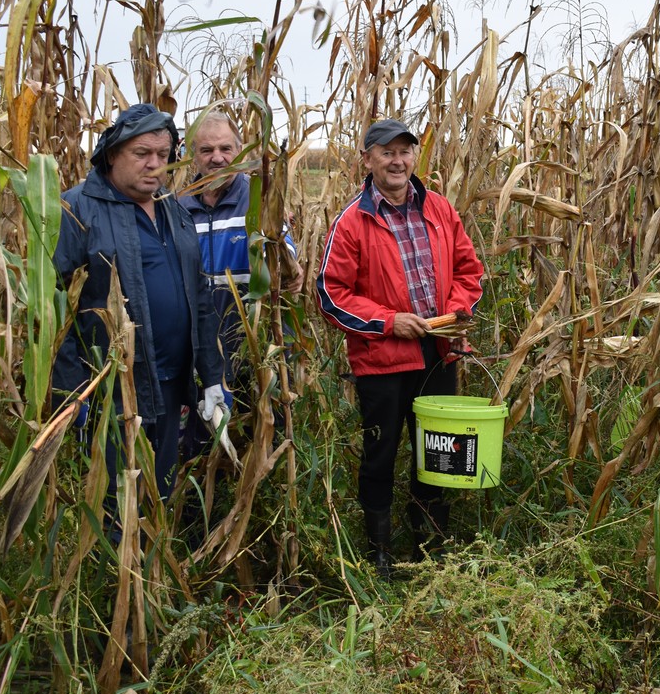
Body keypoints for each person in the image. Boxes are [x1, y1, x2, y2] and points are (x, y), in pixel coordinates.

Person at [316, 119, 484, 575]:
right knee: (381, 455)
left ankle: (432, 547)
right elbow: (331, 296)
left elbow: (470, 272)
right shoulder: (353, 222)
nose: (397, 160)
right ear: (367, 160)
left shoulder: (440, 210)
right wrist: (390, 322)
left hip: (438, 356)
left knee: (438, 452)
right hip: (382, 363)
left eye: (405, 151)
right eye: (386, 152)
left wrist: (456, 312)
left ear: (414, 158)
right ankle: (380, 554)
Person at [53, 103, 227, 505]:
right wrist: (69, 394)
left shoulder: (173, 209)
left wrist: (212, 375)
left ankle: (156, 562)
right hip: (112, 391)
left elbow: (198, 297)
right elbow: (54, 308)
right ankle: (117, 568)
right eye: (142, 154)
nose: (154, 165)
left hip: (170, 385)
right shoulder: (76, 209)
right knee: (115, 500)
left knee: (159, 490)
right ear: (113, 154)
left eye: (163, 156)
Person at [178, 111, 303, 413]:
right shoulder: (179, 207)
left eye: (226, 149)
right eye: (206, 150)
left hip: (254, 341)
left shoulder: (258, 197)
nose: (217, 158)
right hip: (202, 349)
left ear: (240, 151)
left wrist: (289, 266)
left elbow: (283, 254)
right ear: (193, 155)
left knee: (258, 427)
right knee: (206, 437)